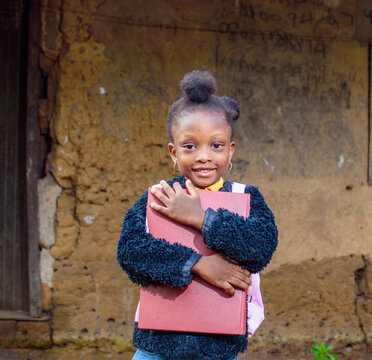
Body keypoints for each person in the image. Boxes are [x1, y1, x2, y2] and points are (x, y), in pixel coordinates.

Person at [117, 70, 278, 360]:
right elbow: (131, 252)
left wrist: (203, 218)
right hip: (158, 346)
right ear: (173, 152)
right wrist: (196, 264)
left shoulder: (245, 197)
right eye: (190, 146)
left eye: (216, 146)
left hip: (218, 349)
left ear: (230, 151)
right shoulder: (159, 196)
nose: (204, 156)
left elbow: (260, 249)